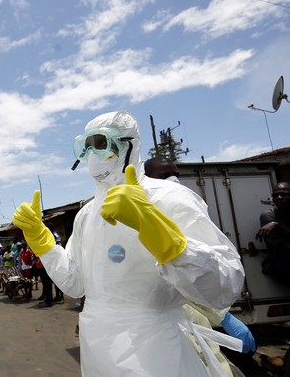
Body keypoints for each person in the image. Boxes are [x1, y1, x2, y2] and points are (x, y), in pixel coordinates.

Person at [13, 111, 246, 376]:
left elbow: (224, 286)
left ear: (129, 145)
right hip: (97, 349)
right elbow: (75, 284)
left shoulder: (168, 199)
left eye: (101, 143)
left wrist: (163, 236)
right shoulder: (87, 214)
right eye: (85, 146)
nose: (92, 154)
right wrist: (43, 244)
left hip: (156, 352)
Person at [145, 157, 256, 362]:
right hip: (161, 322)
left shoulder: (186, 204)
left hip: (192, 315)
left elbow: (200, 268)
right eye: (164, 176)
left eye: (176, 175)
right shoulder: (143, 213)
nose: (173, 180)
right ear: (147, 179)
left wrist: (223, 315)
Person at [256, 182, 290, 286]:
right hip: (279, 263)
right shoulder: (268, 215)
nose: (279, 197)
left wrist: (278, 226)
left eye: (284, 194)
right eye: (275, 195)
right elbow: (286, 246)